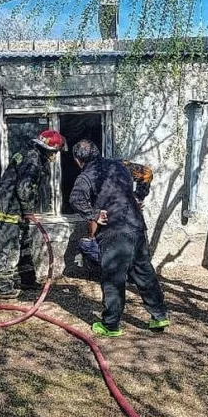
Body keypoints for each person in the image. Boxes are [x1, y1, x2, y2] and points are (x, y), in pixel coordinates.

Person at [69, 140, 169, 337]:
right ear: (98, 153)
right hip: (136, 227)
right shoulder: (120, 164)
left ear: (78, 160)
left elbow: (75, 199)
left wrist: (94, 214)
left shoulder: (86, 176)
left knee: (113, 278)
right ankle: (159, 316)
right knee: (144, 271)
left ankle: (111, 324)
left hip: (114, 233)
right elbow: (146, 172)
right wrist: (138, 196)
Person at [0, 130, 65, 299]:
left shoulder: (31, 155)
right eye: (54, 152)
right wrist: (28, 210)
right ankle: (1, 288)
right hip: (7, 211)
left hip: (15, 210)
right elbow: (24, 187)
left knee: (24, 246)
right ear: (47, 149)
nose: (55, 156)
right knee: (8, 249)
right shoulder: (33, 160)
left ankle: (26, 280)